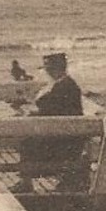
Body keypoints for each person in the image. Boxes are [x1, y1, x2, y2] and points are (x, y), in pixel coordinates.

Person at [13, 52, 87, 192]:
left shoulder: (64, 86)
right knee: (27, 139)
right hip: (65, 132)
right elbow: (50, 109)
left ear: (57, 68)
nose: (46, 70)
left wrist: (31, 110)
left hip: (67, 139)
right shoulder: (62, 84)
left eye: (48, 67)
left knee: (27, 142)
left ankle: (26, 182)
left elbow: (50, 109)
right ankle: (26, 181)